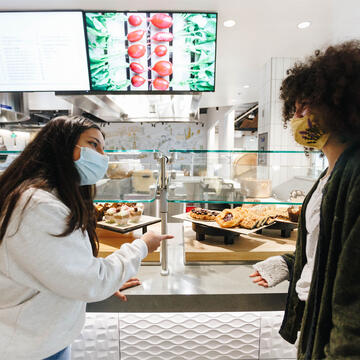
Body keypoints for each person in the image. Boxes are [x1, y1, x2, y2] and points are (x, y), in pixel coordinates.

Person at [0, 116, 173, 360]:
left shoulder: (46, 198)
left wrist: (97, 278)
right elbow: (90, 281)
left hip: (42, 341)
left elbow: (70, 272)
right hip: (27, 349)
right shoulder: (36, 206)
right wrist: (142, 247)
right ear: (62, 146)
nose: (103, 156)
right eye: (94, 145)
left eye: (103, 148)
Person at [250, 40, 360, 359]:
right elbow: (326, 246)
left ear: (342, 105)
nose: (298, 115)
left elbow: (354, 308)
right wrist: (289, 263)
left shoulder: (354, 176)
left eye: (308, 104)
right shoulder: (329, 175)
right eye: (295, 107)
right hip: (315, 325)